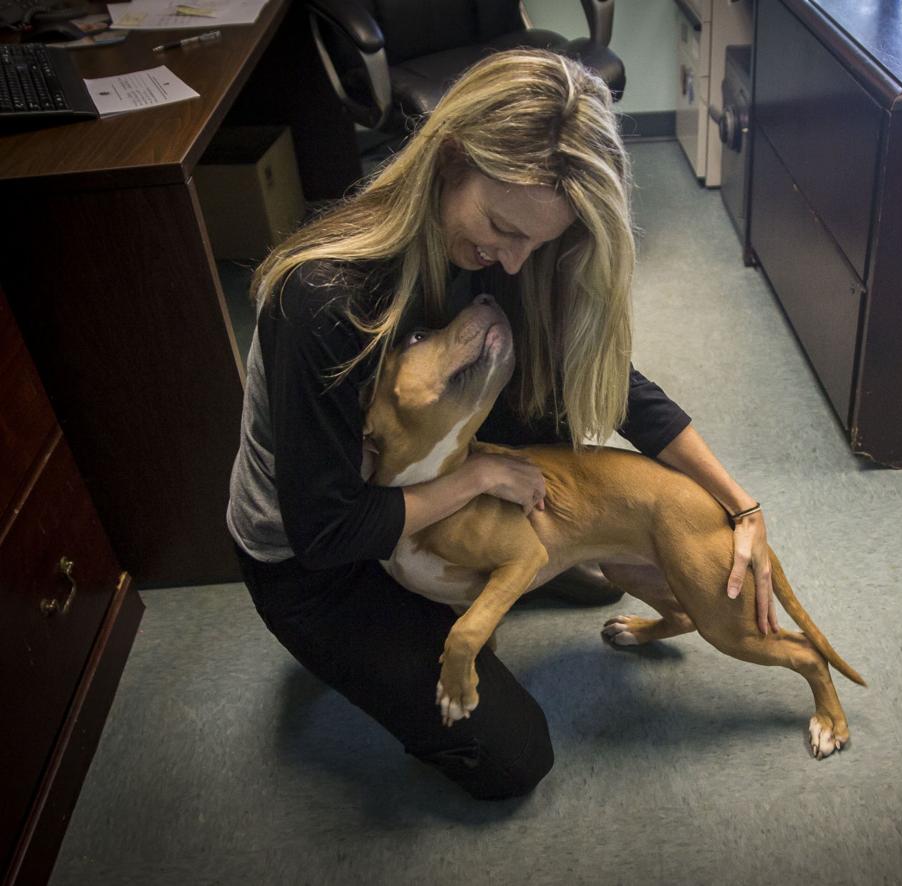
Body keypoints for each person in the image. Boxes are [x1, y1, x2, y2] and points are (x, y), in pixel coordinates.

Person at [227, 49, 779, 802]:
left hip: (421, 471)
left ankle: (498, 563)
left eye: (537, 242)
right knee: (514, 759)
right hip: (318, 561)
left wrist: (739, 503)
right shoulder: (323, 299)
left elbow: (608, 384)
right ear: (449, 159)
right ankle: (472, 578)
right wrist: (482, 475)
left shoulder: (495, 255)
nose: (514, 263)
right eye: (502, 227)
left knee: (549, 395)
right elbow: (326, 531)